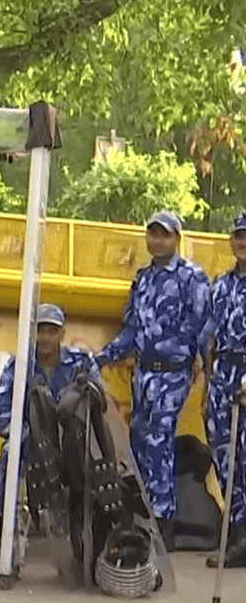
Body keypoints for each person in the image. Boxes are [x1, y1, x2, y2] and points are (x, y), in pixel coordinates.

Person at [96, 211, 210, 550]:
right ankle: (144, 517)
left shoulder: (193, 278)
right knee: (141, 446)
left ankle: (163, 523)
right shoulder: (143, 278)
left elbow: (204, 328)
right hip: (143, 373)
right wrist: (102, 356)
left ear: (177, 239)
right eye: (153, 234)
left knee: (160, 444)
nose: (158, 240)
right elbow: (131, 330)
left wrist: (209, 373)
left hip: (173, 373)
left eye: (165, 235)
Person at [0, 303, 99, 558]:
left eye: (52, 331)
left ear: (62, 333)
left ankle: (88, 531)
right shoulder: (19, 365)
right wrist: (29, 434)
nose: (45, 337)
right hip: (33, 442)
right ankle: (4, 531)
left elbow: (98, 403)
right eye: (40, 331)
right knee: (9, 455)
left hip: (71, 441)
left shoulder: (81, 363)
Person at [204, 211, 246, 568]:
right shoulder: (222, 285)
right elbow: (211, 337)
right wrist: (209, 384)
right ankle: (233, 529)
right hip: (223, 375)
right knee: (225, 455)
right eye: (239, 236)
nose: (243, 242)